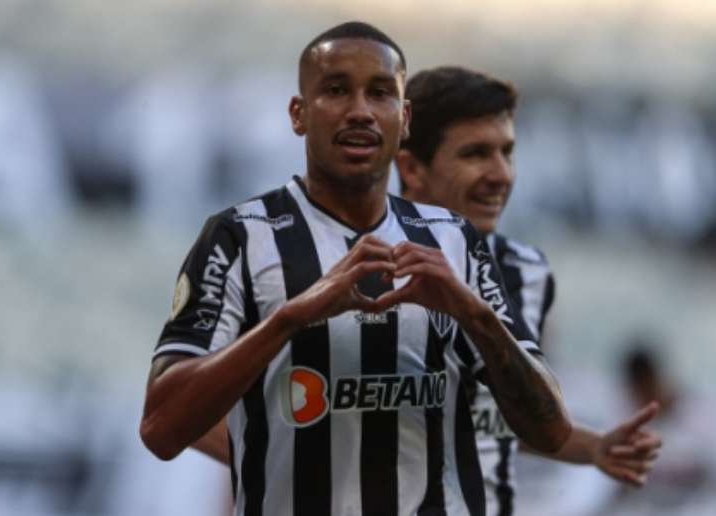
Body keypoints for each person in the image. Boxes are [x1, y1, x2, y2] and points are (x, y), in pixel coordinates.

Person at [140, 22, 574, 516]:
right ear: (299, 114)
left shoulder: (455, 240)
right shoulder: (240, 237)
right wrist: (289, 318)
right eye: (337, 90)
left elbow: (551, 430)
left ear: (404, 117)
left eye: (381, 93)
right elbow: (160, 428)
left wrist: (473, 313)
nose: (361, 111)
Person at [395, 66, 662, 516]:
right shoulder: (351, 268)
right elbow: (249, 429)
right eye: (476, 153)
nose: (501, 175)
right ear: (411, 167)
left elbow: (505, 419)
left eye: (507, 152)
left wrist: (593, 448)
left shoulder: (526, 272)